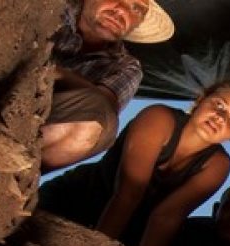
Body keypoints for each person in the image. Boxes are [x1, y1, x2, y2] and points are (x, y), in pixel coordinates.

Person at [38, 79, 230, 246]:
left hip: (129, 232)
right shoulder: (159, 118)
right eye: (219, 105)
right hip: (74, 200)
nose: (221, 118)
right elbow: (129, 192)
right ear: (201, 99)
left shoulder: (217, 164)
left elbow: (166, 217)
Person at [41, 0, 174, 172]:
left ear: (138, 23)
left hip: (44, 120)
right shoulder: (53, 7)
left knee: (101, 124)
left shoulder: (126, 66)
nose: (121, 11)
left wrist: (46, 70)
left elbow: (101, 107)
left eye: (136, 8)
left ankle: (8, 160)